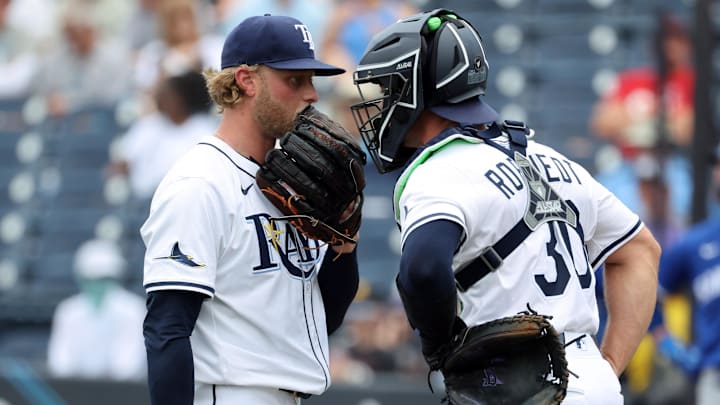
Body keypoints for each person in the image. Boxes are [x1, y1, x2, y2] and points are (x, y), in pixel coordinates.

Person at [350, 9, 660, 404]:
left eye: (390, 87)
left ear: (416, 90)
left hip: (511, 383)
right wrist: (608, 366)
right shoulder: (556, 160)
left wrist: (438, 348)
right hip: (591, 379)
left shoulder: (438, 169)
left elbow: (423, 269)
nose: (382, 102)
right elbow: (640, 250)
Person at [141, 14, 359, 405]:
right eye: (295, 80)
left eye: (311, 80)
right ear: (246, 80)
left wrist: (345, 242)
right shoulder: (200, 184)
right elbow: (167, 329)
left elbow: (325, 318)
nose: (311, 94)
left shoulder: (295, 186)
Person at [651, 144, 720, 405]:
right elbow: (647, 292)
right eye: (716, 166)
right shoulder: (695, 244)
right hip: (715, 377)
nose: (717, 172)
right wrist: (670, 346)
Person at [108, 70, 216, 202]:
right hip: (143, 202)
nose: (160, 99)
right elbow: (121, 163)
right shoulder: (148, 125)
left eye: (167, 95)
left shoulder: (203, 128)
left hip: (186, 200)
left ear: (181, 99)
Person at [47, 238, 146, 381]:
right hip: (75, 392)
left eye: (104, 279)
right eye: (90, 279)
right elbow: (60, 363)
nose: (97, 285)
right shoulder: (68, 311)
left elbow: (129, 366)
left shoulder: (133, 310)